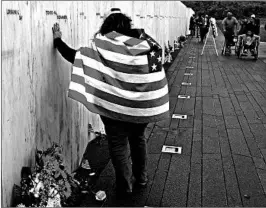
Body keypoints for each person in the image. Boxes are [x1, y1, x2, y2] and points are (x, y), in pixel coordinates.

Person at [52, 8, 169, 198]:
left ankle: (125, 186)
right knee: (138, 140)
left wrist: (58, 40)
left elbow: (76, 57)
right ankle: (141, 178)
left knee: (118, 144)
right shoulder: (143, 47)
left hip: (112, 109)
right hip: (140, 109)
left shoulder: (102, 51)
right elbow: (156, 62)